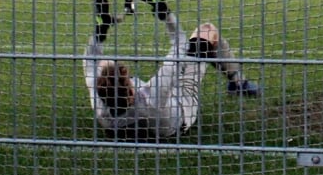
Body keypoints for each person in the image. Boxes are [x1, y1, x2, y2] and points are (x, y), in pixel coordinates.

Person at [85, 12, 260, 139]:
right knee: (206, 32)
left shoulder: (100, 106)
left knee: (104, 63)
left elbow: (90, 60)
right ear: (130, 91)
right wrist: (163, 11)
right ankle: (238, 82)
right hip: (182, 102)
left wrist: (100, 29)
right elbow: (180, 43)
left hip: (142, 121)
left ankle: (212, 60)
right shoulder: (152, 96)